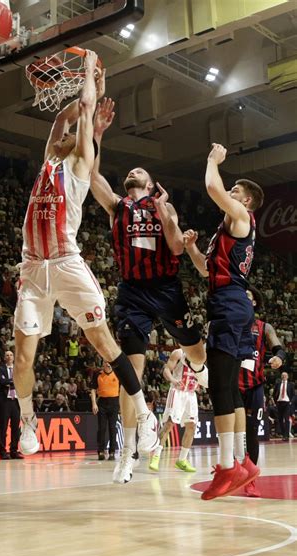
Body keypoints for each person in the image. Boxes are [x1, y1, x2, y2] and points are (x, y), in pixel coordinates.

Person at [14, 51, 149, 461]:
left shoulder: (78, 164)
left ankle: (143, 413)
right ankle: (27, 421)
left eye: (73, 132)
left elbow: (85, 112)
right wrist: (78, 102)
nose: (62, 132)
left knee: (102, 341)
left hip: (67, 264)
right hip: (34, 270)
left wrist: (92, 74)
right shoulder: (51, 157)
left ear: (82, 143)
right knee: (21, 357)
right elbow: (63, 119)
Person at [90, 98, 206, 484]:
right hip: (132, 292)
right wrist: (97, 135)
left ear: (152, 184)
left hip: (167, 287)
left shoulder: (164, 208)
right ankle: (128, 452)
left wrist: (165, 213)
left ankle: (205, 374)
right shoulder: (117, 206)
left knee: (197, 352)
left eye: (140, 169)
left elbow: (174, 247)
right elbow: (91, 174)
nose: (133, 170)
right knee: (131, 372)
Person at [183, 143, 264, 500]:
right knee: (228, 388)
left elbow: (213, 188)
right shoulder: (230, 229)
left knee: (219, 387)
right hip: (227, 302)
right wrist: (190, 249)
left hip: (230, 304)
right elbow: (205, 268)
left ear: (246, 202)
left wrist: (212, 160)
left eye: (237, 193)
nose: (230, 194)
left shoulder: (242, 219)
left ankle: (227, 466)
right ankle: (241, 461)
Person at [238, 286, 285, 497]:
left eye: (248, 297)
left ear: (255, 303)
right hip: (232, 387)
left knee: (252, 433)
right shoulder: (229, 324)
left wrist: (279, 358)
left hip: (255, 386)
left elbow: (279, 348)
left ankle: (250, 480)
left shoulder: (264, 327)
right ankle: (233, 473)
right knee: (233, 434)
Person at [149, 348, 208, 473]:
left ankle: (182, 460)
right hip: (177, 392)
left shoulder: (201, 355)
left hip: (191, 394)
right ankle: (156, 456)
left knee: (191, 426)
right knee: (169, 424)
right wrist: (173, 380)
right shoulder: (179, 353)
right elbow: (166, 370)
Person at [90, 361, 120, 461]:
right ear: (103, 364)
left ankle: (112, 452)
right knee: (101, 428)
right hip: (102, 403)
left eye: (109, 363)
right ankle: (101, 451)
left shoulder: (117, 373)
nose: (107, 364)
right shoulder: (97, 374)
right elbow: (93, 390)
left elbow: (123, 390)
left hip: (114, 402)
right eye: (105, 363)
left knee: (112, 428)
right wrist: (94, 403)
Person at [0, 350, 22, 460]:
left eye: (11, 355)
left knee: (15, 427)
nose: (9, 356)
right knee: (3, 427)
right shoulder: (1, 369)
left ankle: (14, 451)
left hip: (16, 401)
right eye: (7, 355)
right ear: (4, 358)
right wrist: (13, 381)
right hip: (5, 401)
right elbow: (2, 382)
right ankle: (2, 452)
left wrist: (9, 382)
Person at [274, 372, 294, 442]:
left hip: (287, 403)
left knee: (286, 419)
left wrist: (290, 401)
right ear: (281, 377)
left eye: (285, 375)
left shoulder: (290, 384)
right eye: (282, 375)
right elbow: (274, 393)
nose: (284, 376)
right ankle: (283, 434)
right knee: (280, 419)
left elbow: (293, 394)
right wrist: (275, 401)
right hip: (279, 402)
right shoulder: (278, 384)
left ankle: (286, 436)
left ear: (287, 377)